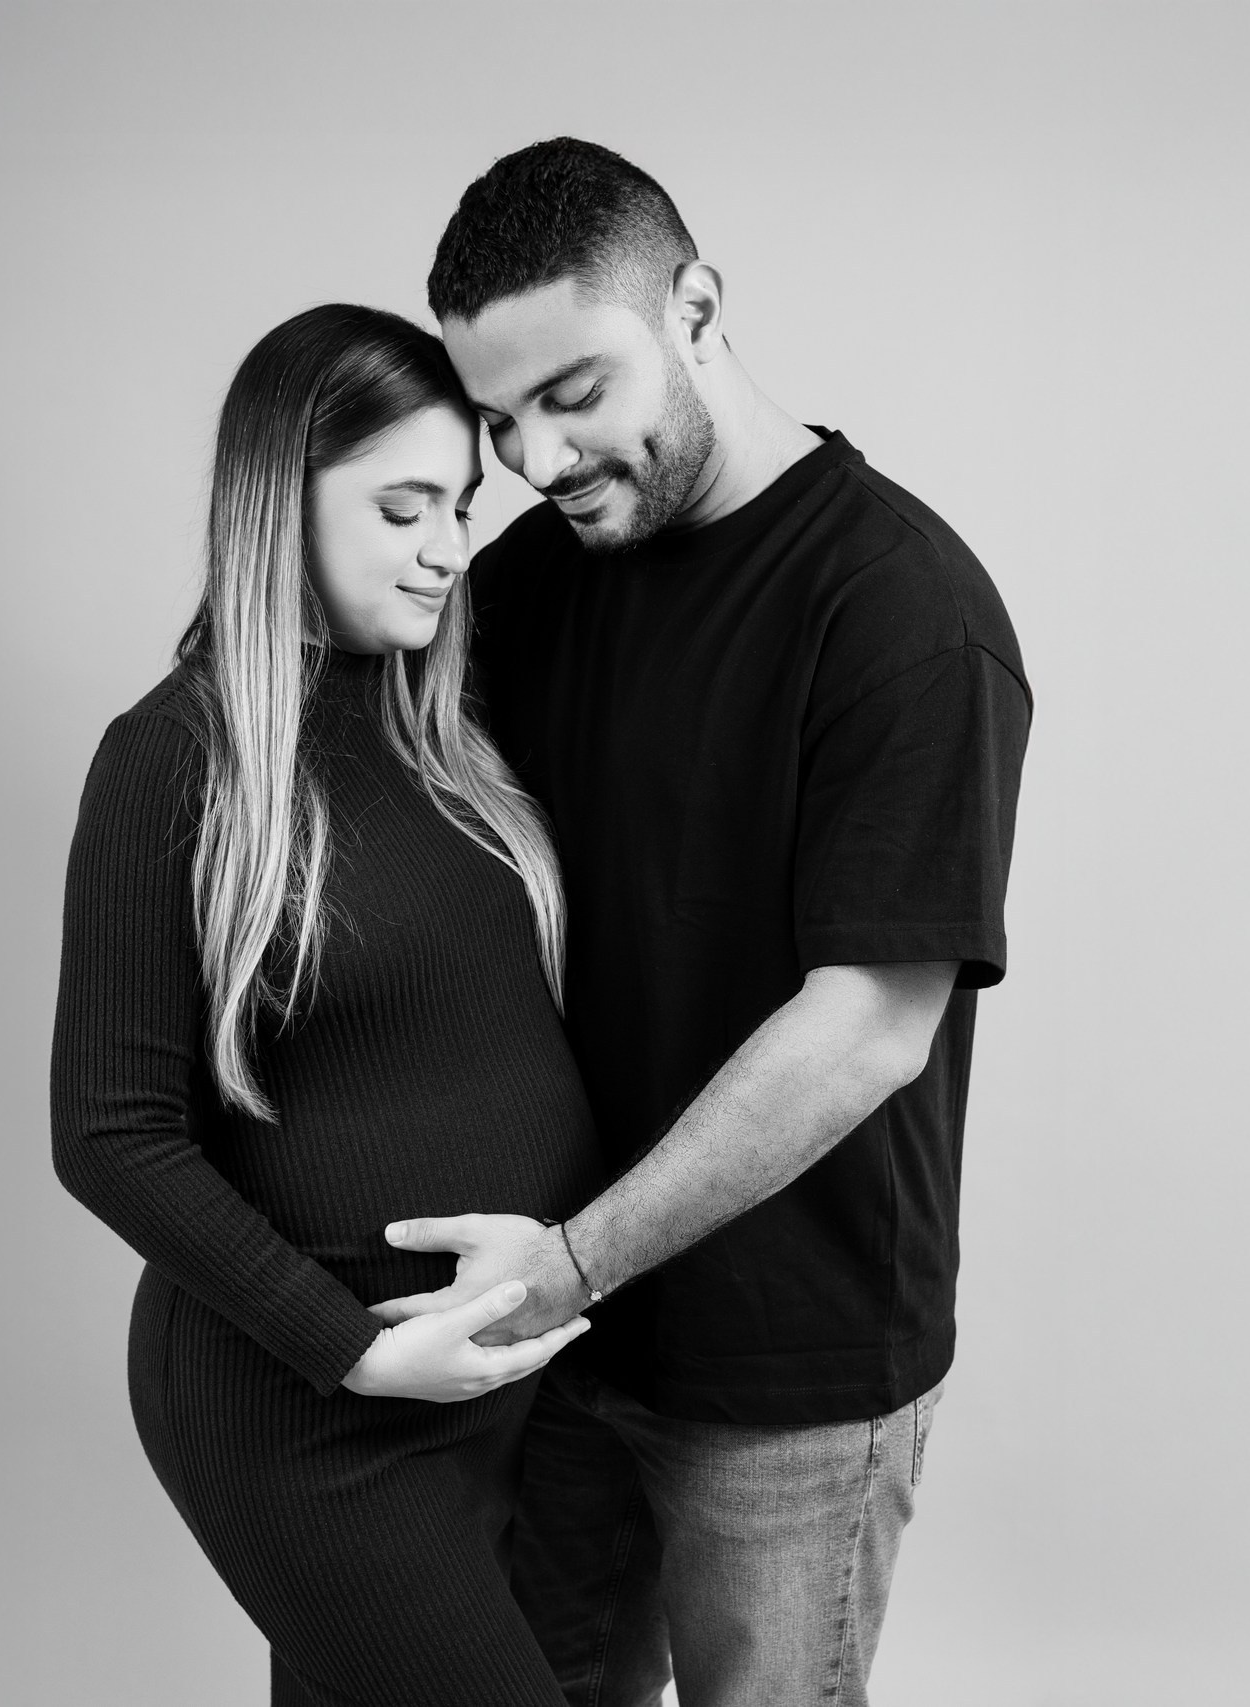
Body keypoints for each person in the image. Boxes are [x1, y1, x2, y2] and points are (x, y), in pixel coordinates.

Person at [369, 139, 1034, 1706]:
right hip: (553, 1344)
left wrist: (572, 1264)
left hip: (788, 1373)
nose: (537, 457)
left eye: (574, 393)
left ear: (698, 310)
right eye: (500, 420)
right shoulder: (530, 587)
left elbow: (866, 1028)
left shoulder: (902, 610)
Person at [50, 302, 608, 1707]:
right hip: (302, 1406)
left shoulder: (443, 736)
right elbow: (109, 1134)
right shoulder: (171, 762)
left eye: (461, 508)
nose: (446, 549)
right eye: (402, 508)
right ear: (276, 503)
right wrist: (353, 1351)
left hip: (484, 1395)